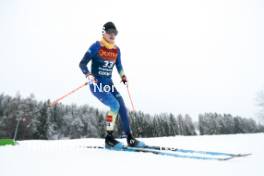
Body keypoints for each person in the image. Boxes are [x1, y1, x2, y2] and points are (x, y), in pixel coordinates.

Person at [79, 22, 145, 149]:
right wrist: (88, 75)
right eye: (110, 31)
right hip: (97, 85)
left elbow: (119, 65)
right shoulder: (96, 46)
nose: (112, 35)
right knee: (114, 105)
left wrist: (123, 76)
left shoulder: (116, 50)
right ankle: (109, 139)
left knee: (122, 108)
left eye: (115, 32)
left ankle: (130, 138)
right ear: (103, 32)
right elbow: (82, 63)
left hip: (109, 84)